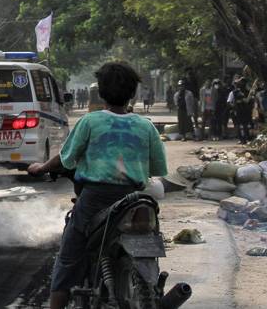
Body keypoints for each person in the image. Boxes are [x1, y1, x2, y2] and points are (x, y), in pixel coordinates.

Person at [28, 62, 167, 309]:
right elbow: (157, 168)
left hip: (94, 201)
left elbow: (66, 158)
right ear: (133, 93)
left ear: (101, 92)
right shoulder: (146, 126)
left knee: (67, 260)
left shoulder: (90, 122)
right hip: (134, 199)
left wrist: (41, 167)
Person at [228, 78, 254, 144]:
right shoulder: (234, 92)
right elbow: (229, 102)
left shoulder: (248, 91)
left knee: (245, 125)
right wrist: (234, 106)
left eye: (243, 82)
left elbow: (250, 101)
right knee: (238, 125)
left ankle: (245, 139)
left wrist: (249, 99)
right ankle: (240, 138)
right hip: (237, 111)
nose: (242, 84)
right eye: (240, 83)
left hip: (246, 111)